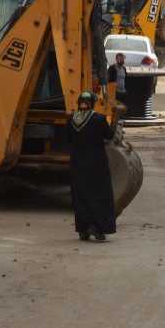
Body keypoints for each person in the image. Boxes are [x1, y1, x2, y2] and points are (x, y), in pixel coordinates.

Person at [68, 91, 117, 241]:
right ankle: (97, 227)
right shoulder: (99, 119)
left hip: (77, 164)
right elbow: (109, 136)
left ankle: (83, 229)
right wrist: (116, 119)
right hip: (96, 165)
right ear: (93, 103)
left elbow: (68, 139)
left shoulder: (71, 120)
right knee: (98, 194)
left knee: (80, 194)